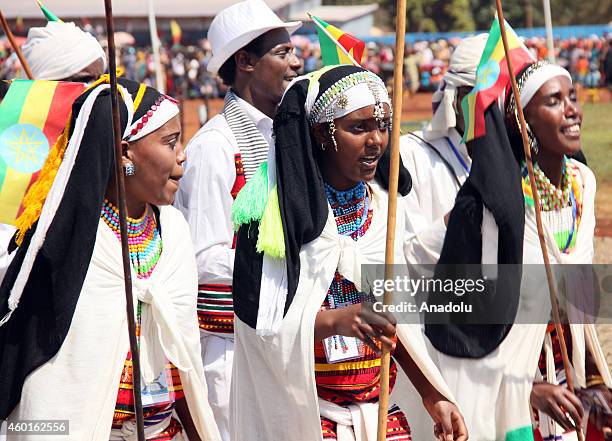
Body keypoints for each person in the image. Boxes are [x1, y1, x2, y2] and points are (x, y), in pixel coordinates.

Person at [229, 64, 468, 441]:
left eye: (383, 126)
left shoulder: (385, 208)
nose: (376, 140)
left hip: (381, 416)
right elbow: (258, 328)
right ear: (323, 134)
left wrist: (432, 394)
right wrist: (333, 322)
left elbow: (394, 319)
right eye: (358, 127)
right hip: (311, 420)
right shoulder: (279, 214)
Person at [0, 77, 220, 440]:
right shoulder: (69, 243)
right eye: (170, 142)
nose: (183, 155)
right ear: (123, 153)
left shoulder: (175, 231)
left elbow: (184, 364)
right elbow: (52, 383)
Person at [173, 1, 301, 439]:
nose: (296, 62)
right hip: (232, 351)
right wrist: (294, 271)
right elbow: (204, 258)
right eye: (282, 53)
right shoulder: (214, 147)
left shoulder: (288, 135)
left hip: (283, 341)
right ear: (245, 62)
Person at [502, 61, 612, 441]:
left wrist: (596, 378)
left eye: (573, 97)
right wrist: (526, 389)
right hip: (516, 381)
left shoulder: (582, 182)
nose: (572, 110)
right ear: (523, 119)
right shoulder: (500, 197)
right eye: (554, 100)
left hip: (571, 373)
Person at [0, 19, 108, 285]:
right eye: (84, 81)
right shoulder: (13, 148)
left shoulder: (102, 141)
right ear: (46, 85)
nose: (95, 92)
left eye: (101, 80)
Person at [401, 33, 488, 268]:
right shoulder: (412, 155)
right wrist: (466, 212)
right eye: (482, 97)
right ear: (455, 98)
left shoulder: (523, 161)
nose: (493, 110)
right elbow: (409, 259)